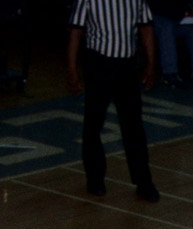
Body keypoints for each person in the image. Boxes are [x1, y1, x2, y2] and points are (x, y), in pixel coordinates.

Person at [67, 0, 159, 203]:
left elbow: (146, 28)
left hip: (127, 67)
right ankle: (95, 179)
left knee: (134, 126)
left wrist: (151, 64)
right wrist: (72, 69)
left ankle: (144, 182)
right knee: (93, 124)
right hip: (98, 64)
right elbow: (76, 31)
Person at [148, 0, 193, 87]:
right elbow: (158, 7)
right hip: (153, 18)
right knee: (166, 28)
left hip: (172, 16)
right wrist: (185, 13)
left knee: (192, 27)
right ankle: (169, 73)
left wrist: (191, 9)